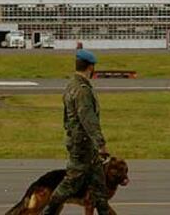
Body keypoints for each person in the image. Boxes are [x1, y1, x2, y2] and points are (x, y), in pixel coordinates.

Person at [43, 49, 110, 215]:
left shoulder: (71, 85)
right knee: (70, 184)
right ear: (91, 67)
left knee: (100, 189)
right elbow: (88, 119)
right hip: (83, 146)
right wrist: (101, 144)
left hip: (84, 146)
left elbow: (66, 117)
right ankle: (47, 212)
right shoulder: (82, 90)